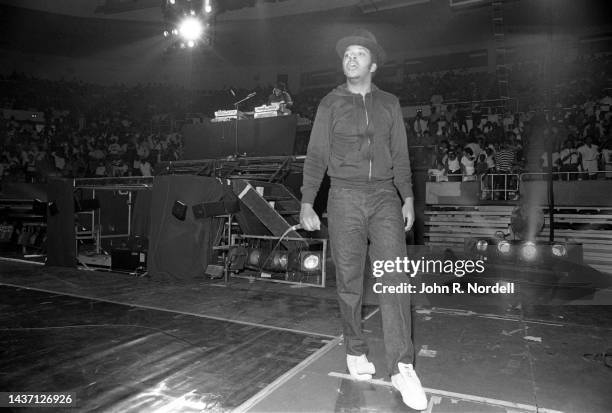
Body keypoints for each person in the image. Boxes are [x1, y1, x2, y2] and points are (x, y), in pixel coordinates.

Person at [299, 29, 427, 411]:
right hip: (343, 197)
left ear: (373, 63)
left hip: (385, 197)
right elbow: (316, 155)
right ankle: (355, 350)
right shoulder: (330, 103)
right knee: (350, 282)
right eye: (346, 55)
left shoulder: (390, 103)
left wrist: (407, 197)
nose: (351, 59)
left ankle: (403, 367)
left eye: (359, 54)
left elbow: (401, 155)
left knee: (394, 279)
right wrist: (307, 201)